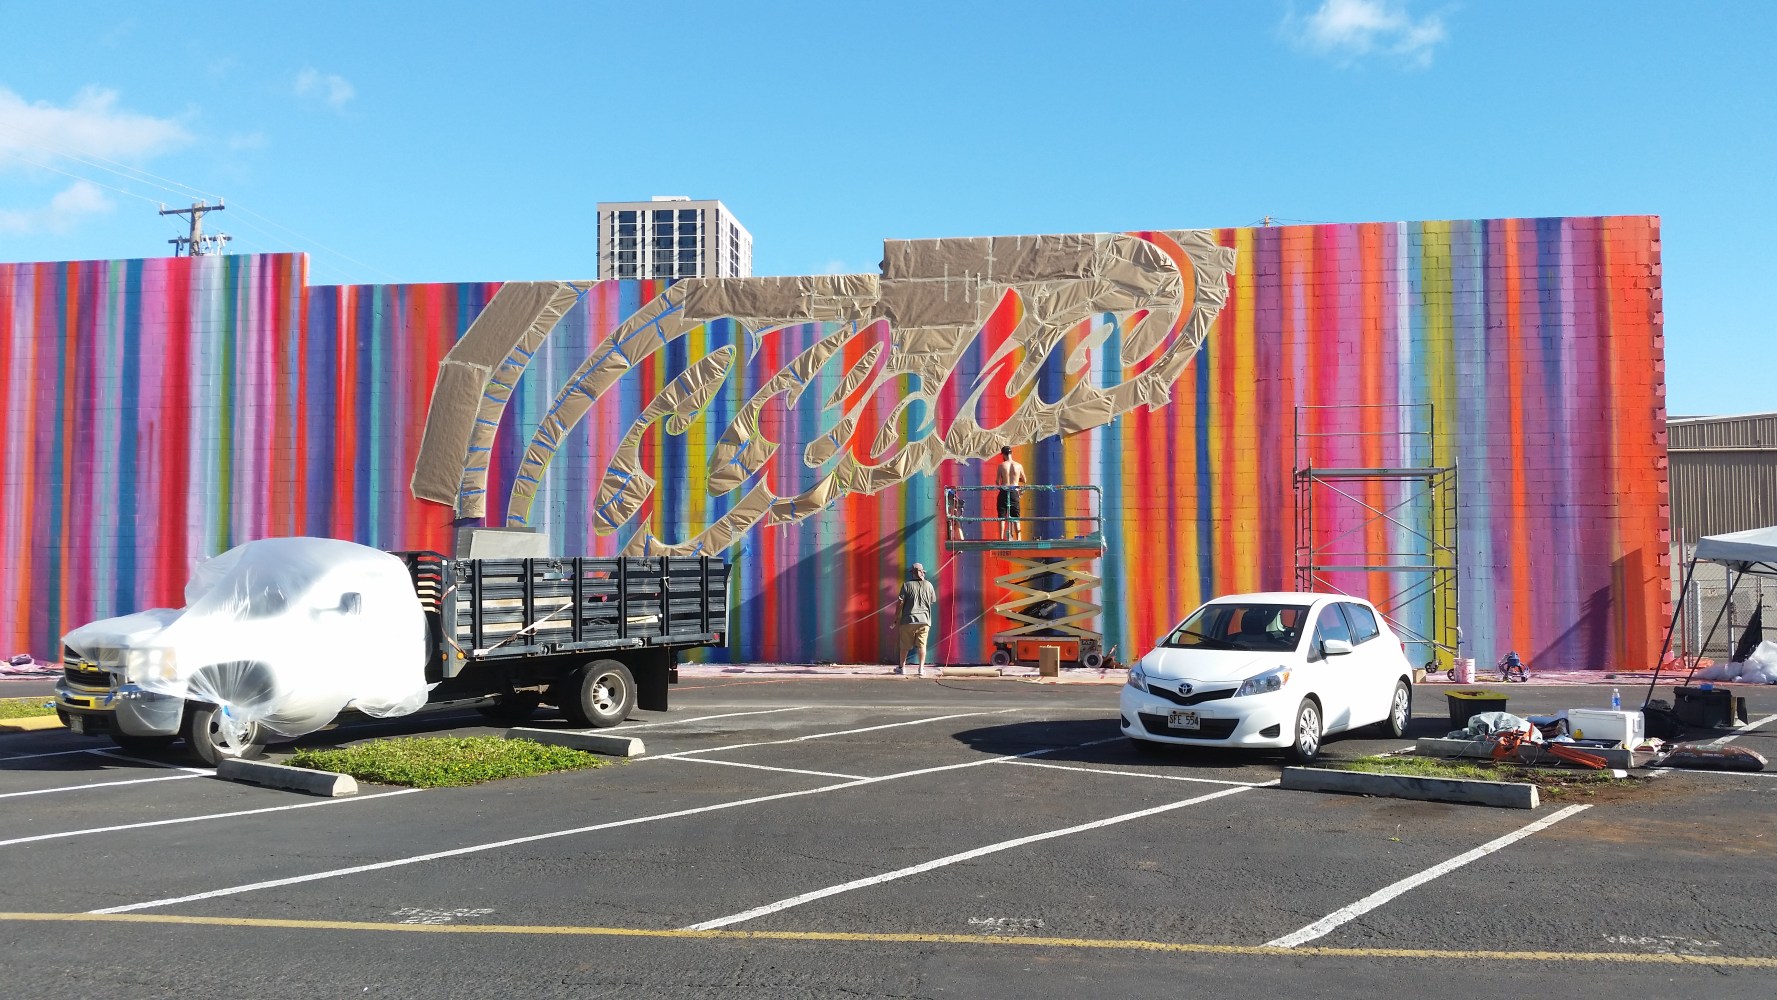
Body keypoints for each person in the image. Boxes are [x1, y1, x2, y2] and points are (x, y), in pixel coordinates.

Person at [895, 562, 938, 676]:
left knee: (904, 645)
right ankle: (921, 669)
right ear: (922, 573)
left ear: (912, 573)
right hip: (924, 620)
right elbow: (932, 601)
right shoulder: (929, 585)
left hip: (908, 620)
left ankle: (902, 668)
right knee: (922, 645)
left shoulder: (906, 585)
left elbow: (900, 602)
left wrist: (896, 617)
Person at [993, 445, 1027, 540]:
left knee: (1002, 516)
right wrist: (1015, 479)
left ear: (1003, 455)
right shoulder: (1018, 465)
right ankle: (1019, 538)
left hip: (1004, 491)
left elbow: (997, 481)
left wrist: (1004, 482)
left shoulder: (1001, 465)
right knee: (1016, 516)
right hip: (1014, 491)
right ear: (1011, 453)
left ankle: (1000, 538)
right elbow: (1024, 480)